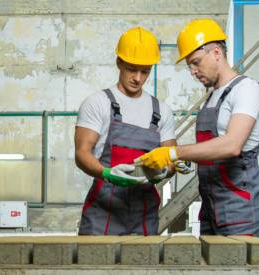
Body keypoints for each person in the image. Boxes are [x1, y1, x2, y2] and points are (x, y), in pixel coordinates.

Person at [137, 19, 259, 238]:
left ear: (216, 52)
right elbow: (211, 148)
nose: (193, 71)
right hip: (211, 208)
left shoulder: (246, 90)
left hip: (241, 210)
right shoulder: (212, 97)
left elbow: (232, 145)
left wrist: (173, 152)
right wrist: (187, 160)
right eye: (190, 65)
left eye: (196, 62)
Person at [75, 27, 181, 236]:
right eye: (132, 69)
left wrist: (164, 171)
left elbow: (170, 160)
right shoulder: (98, 103)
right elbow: (82, 153)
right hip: (102, 214)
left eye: (145, 71)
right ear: (119, 63)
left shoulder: (161, 111)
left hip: (144, 216)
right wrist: (106, 173)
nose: (138, 78)